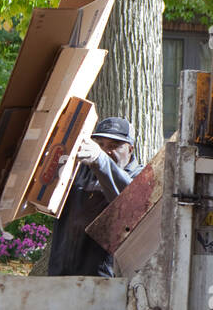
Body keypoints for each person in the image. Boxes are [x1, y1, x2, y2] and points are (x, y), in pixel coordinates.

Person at [47, 116, 145, 277]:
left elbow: (130, 201)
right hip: (61, 275)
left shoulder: (139, 177)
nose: (106, 151)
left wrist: (101, 161)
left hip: (105, 280)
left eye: (114, 146)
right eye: (100, 145)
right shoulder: (78, 171)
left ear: (130, 148)